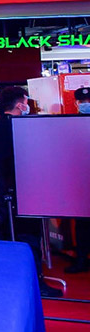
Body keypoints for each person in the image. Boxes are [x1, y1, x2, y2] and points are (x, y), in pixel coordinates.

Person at [0, 86, 62, 297]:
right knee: (30, 237)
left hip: (4, 187)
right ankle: (36, 283)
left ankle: (11, 280)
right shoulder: (25, 125)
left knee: (8, 234)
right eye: (26, 101)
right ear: (20, 104)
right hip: (27, 187)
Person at [66, 87, 90, 273]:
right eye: (82, 102)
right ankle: (81, 258)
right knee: (82, 223)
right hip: (79, 181)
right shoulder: (70, 123)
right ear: (76, 103)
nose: (85, 104)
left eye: (88, 101)